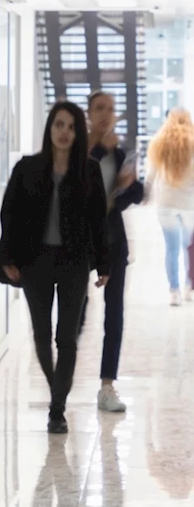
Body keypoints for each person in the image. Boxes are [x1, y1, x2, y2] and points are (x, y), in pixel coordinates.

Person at [0, 101, 110, 434]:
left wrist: (104, 263)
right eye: (59, 125)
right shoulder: (27, 168)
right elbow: (9, 214)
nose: (64, 132)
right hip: (36, 262)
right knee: (42, 335)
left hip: (74, 263)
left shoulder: (89, 171)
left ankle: (57, 409)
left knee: (67, 338)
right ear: (49, 129)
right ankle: (56, 389)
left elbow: (98, 220)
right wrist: (7, 258)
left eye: (71, 127)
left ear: (78, 133)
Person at [85, 91, 143, 414]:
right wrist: (98, 150)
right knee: (73, 317)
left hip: (113, 242)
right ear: (88, 114)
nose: (106, 114)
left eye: (110, 108)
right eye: (99, 108)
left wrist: (128, 185)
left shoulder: (120, 154)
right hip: (80, 243)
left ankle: (107, 386)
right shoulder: (78, 152)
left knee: (115, 315)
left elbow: (134, 194)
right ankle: (61, 385)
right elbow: (75, 187)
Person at [145, 108, 194, 305]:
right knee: (189, 247)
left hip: (166, 203)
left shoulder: (160, 143)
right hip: (189, 204)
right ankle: (189, 287)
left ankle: (174, 291)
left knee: (171, 248)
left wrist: (145, 195)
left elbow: (151, 175)